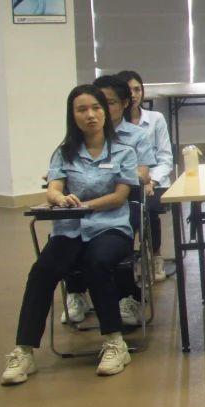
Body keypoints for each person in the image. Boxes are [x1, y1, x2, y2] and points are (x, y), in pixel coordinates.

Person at [2, 86, 138, 384]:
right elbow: (54, 187)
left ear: (105, 111)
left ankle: (115, 342)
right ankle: (24, 351)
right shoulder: (63, 152)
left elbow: (119, 196)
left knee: (97, 262)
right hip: (70, 230)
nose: (90, 115)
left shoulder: (124, 151)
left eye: (96, 108)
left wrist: (85, 205)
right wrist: (59, 198)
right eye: (82, 109)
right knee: (42, 270)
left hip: (110, 227)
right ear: (72, 115)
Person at [61, 75, 157, 328]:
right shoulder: (78, 139)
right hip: (82, 205)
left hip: (123, 202)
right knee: (67, 233)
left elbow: (143, 173)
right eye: (91, 105)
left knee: (116, 238)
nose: (94, 112)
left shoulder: (136, 136)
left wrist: (115, 174)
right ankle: (76, 292)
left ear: (124, 104)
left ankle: (127, 296)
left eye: (106, 103)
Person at [119, 70, 173, 283]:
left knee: (148, 208)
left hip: (155, 182)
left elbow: (166, 158)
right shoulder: (112, 124)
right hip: (125, 183)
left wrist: (152, 181)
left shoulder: (155, 119)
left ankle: (156, 256)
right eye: (128, 90)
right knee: (127, 211)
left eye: (137, 89)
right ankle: (126, 260)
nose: (133, 95)